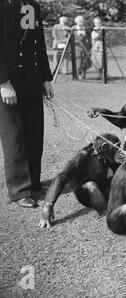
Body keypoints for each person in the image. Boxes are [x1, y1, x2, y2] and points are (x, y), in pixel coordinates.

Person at [0, 0, 54, 208]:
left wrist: (45, 79)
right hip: (8, 81)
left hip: (31, 79)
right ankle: (19, 190)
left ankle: (33, 183)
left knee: (34, 133)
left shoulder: (32, 5)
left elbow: (38, 44)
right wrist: (3, 82)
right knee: (14, 137)